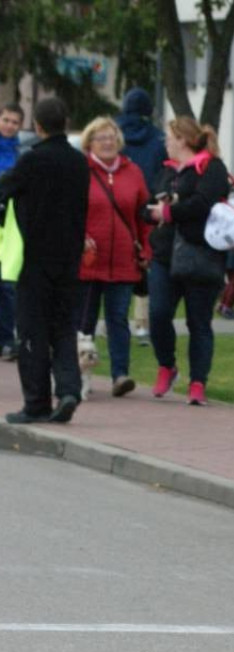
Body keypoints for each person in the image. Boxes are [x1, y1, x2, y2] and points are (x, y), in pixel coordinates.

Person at [0, 97, 90, 424]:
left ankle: (36, 402)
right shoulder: (79, 162)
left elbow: (4, 190)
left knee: (32, 331)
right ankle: (68, 389)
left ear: (37, 126)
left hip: (35, 257)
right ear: (65, 123)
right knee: (64, 327)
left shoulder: (32, 161)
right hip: (70, 257)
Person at [145, 116, 230, 406]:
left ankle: (198, 382)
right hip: (165, 254)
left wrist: (169, 212)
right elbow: (148, 205)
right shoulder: (167, 171)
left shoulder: (212, 167)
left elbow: (204, 204)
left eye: (169, 138)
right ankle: (166, 364)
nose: (166, 144)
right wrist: (154, 212)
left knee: (199, 322)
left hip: (200, 255)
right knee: (158, 314)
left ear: (182, 139)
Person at [76, 116, 152, 398]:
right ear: (90, 142)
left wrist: (146, 249)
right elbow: (70, 212)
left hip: (123, 260)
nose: (107, 142)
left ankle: (120, 374)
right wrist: (79, 238)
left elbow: (144, 216)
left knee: (118, 319)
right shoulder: (80, 171)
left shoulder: (133, 172)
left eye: (111, 137)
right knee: (84, 321)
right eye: (101, 138)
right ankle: (78, 375)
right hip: (88, 261)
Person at [116, 87, 167, 346]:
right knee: (145, 261)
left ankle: (116, 319)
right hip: (147, 205)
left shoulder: (114, 134)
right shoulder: (157, 139)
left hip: (117, 204)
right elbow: (163, 173)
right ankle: (142, 324)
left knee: (117, 261)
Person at [0, 101, 23, 361]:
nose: (9, 126)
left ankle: (7, 338)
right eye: (6, 120)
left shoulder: (21, 154)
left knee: (7, 285)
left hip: (11, 225)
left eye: (14, 122)